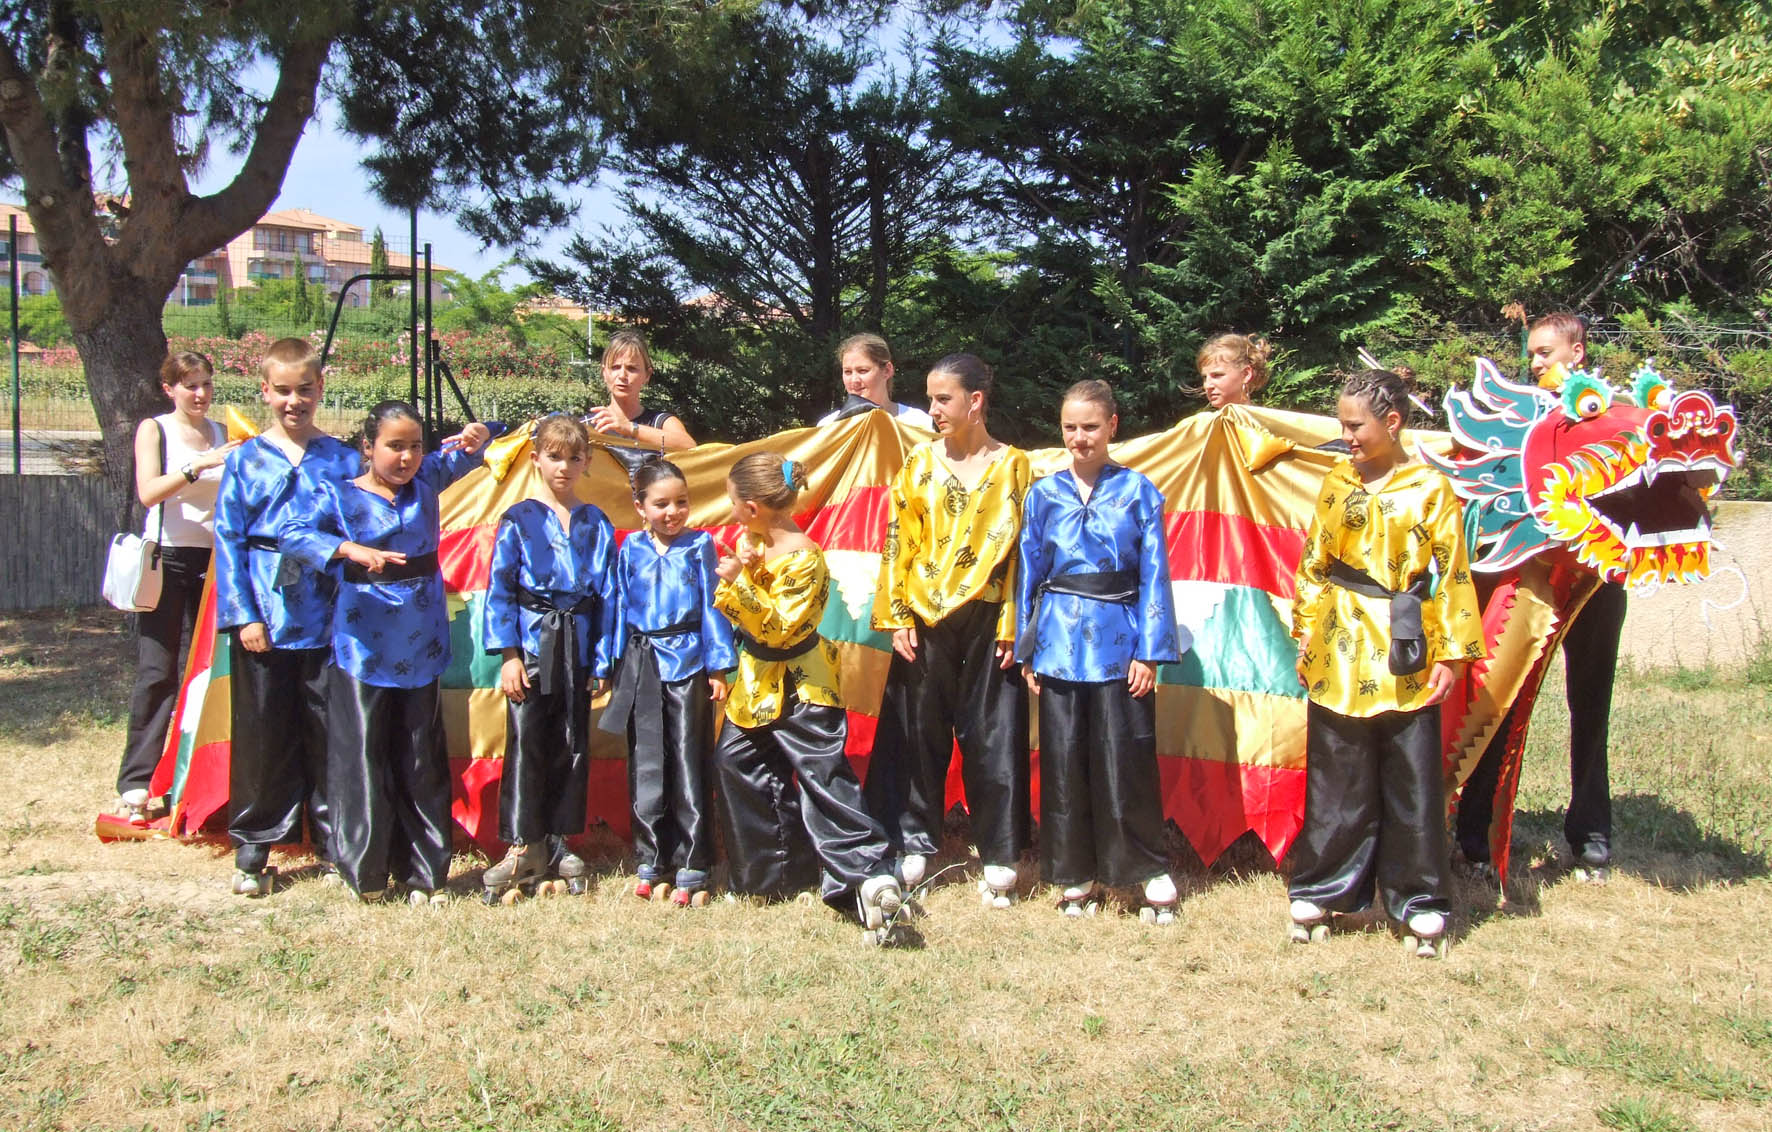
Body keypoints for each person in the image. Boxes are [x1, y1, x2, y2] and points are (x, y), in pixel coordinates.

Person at [1288, 369, 1483, 958]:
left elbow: (1451, 572)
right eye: (1342, 423)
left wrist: (1450, 652)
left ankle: (1419, 901)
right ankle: (1323, 889)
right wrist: (1304, 632)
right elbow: (1313, 564)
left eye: (1355, 424)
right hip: (1340, 643)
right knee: (1336, 777)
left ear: (1391, 423)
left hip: (1405, 647)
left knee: (1410, 780)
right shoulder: (1335, 483)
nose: (1345, 435)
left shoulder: (1430, 489)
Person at [281, 401, 500, 904]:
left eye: (415, 446)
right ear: (368, 448)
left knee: (420, 754)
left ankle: (426, 872)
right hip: (363, 639)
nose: (406, 457)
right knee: (363, 753)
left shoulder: (427, 480)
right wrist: (347, 550)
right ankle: (368, 871)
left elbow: (479, 448)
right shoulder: (337, 496)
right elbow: (291, 533)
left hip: (420, 638)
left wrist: (481, 432)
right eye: (395, 446)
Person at [1456, 311, 1625, 879]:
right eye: (1530, 353)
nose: (1533, 363)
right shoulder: (1525, 420)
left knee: (1590, 705)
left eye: (1545, 353)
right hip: (1530, 580)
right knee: (1498, 700)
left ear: (1577, 352)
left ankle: (1590, 835)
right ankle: (1473, 835)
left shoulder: (1618, 416)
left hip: (1598, 582)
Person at [709, 452, 904, 934]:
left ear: (752, 506)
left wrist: (737, 584)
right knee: (736, 763)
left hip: (801, 687)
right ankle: (771, 874)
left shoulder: (805, 558)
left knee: (823, 781)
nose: (731, 511)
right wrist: (747, 568)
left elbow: (780, 630)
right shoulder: (756, 541)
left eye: (734, 503)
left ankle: (867, 875)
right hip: (756, 686)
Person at [864, 353, 1033, 907]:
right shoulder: (916, 464)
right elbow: (897, 541)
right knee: (917, 733)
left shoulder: (1015, 467)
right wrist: (896, 616)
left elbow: (1024, 558)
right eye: (931, 398)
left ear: (975, 401)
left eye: (943, 399)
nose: (933, 409)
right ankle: (913, 839)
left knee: (995, 734)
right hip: (923, 618)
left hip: (990, 619)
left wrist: (1014, 622)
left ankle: (1001, 852)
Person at [1016, 380, 1183, 922]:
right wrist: (1026, 649)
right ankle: (1074, 873)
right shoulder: (1042, 494)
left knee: (1126, 757)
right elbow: (1030, 575)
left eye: (1090, 427)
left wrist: (1151, 652)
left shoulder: (1138, 491)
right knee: (1064, 761)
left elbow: (1156, 575)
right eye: (1070, 428)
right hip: (1059, 642)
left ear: (1113, 425)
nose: (1079, 438)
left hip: (1121, 640)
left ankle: (1144, 871)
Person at [212, 337, 359, 897]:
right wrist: (244, 614)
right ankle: (254, 845)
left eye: (304, 390)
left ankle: (334, 839)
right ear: (264, 392)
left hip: (328, 617)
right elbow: (228, 541)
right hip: (266, 617)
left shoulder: (344, 458)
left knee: (330, 729)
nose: (294, 401)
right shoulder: (245, 459)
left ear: (321, 389)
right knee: (265, 730)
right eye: (282, 391)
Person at [479, 415, 618, 903]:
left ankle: (561, 839)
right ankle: (524, 841)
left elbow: (608, 597)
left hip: (578, 647)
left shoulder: (596, 523)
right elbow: (500, 590)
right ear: (536, 458)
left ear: (587, 462)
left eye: (574, 457)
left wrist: (602, 661)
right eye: (554, 456)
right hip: (534, 646)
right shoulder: (518, 519)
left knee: (572, 741)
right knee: (528, 741)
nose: (564, 466)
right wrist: (510, 656)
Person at [599, 456, 736, 905]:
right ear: (640, 506)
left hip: (689, 664)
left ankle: (695, 859)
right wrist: (608, 666)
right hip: (641, 665)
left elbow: (713, 607)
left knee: (687, 757)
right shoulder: (630, 550)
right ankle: (651, 857)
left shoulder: (700, 546)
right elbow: (616, 609)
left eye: (681, 502)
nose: (672, 512)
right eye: (661, 504)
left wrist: (718, 665)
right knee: (647, 760)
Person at [114, 352, 239, 826]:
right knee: (158, 669)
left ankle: (201, 778)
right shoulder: (157, 429)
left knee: (211, 670)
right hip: (168, 557)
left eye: (206, 384)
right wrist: (198, 466)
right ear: (169, 388)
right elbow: (148, 492)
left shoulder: (223, 434)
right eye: (190, 386)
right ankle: (136, 784)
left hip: (214, 559)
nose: (201, 394)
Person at [586, 330, 695, 452]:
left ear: (647, 375)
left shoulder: (661, 422)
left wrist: (630, 428)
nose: (622, 375)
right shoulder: (587, 426)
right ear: (604, 373)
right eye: (615, 367)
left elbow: (689, 446)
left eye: (631, 368)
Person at [816, 333, 934, 428]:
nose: (854, 380)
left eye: (863, 370)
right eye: (848, 372)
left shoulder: (918, 423)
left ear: (887, 370)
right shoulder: (828, 426)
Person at [1196, 332, 1272, 409]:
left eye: (1217, 375)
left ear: (1246, 374)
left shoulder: (1265, 420)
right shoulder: (1200, 421)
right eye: (1205, 377)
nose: (1207, 386)